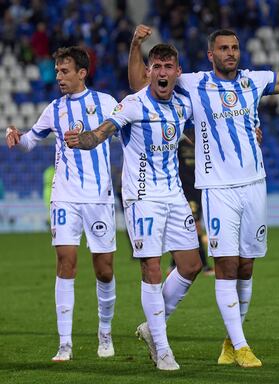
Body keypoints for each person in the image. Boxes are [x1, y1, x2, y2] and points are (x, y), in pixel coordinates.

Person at [128, 18, 279, 368]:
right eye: (223, 48)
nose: (230, 53)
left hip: (254, 185)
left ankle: (228, 343)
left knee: (247, 267)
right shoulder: (193, 83)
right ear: (210, 54)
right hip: (217, 189)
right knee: (225, 266)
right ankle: (241, 344)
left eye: (234, 48)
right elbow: (141, 85)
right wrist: (137, 47)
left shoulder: (254, 80)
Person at [65, 44, 203, 371]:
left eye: (169, 66)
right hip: (141, 196)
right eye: (157, 66)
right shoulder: (133, 105)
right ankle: (163, 348)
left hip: (173, 194)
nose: (163, 72)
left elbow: (187, 136)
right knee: (152, 268)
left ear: (177, 72)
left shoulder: (182, 105)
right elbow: (102, 132)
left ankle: (150, 328)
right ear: (149, 72)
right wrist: (83, 138)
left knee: (191, 265)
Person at [6, 46, 117, 362]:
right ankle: (65, 343)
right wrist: (16, 135)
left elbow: (128, 131)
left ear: (82, 73)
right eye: (56, 71)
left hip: (99, 197)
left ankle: (105, 333)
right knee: (65, 262)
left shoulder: (106, 103)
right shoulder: (53, 109)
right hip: (65, 197)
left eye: (64, 71)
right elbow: (31, 140)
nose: (59, 77)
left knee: (105, 270)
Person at [167, 127, 215, 276]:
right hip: (185, 192)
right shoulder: (179, 147)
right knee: (195, 227)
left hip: (200, 191)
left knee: (191, 228)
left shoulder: (204, 146)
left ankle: (174, 264)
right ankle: (205, 266)